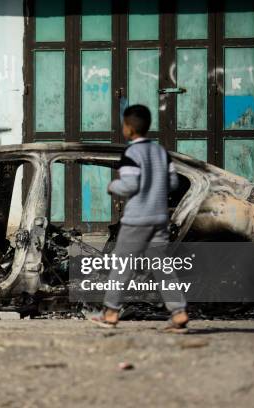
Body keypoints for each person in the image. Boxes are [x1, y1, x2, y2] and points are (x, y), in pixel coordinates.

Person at [90, 104, 189, 333]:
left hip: (137, 220)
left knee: (122, 266)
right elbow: (173, 183)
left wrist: (112, 185)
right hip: (160, 218)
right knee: (162, 266)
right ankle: (179, 312)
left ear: (128, 129)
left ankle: (111, 312)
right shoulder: (161, 152)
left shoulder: (131, 154)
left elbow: (130, 185)